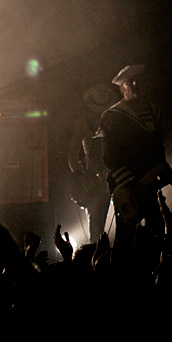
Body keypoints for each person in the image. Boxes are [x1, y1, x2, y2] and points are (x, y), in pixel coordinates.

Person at [99, 64, 172, 272]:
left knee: (158, 229)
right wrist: (131, 183)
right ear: (121, 88)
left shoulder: (154, 110)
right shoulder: (112, 116)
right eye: (129, 82)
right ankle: (116, 278)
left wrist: (164, 168)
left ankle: (158, 274)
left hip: (150, 182)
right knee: (126, 234)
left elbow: (157, 145)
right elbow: (111, 156)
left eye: (138, 80)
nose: (135, 85)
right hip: (127, 187)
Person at [67, 83, 117, 243]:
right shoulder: (83, 123)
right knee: (96, 228)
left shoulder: (113, 121)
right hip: (94, 183)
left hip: (115, 177)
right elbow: (71, 155)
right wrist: (81, 177)